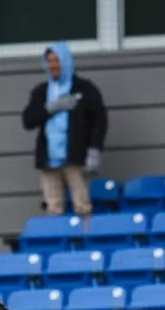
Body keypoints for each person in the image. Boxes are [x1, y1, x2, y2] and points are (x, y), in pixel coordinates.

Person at [20, 43, 106, 217]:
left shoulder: (84, 88)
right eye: (49, 61)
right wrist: (51, 108)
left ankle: (84, 241)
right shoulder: (41, 92)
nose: (53, 65)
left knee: (82, 207)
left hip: (75, 158)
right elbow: (28, 121)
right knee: (53, 209)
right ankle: (57, 241)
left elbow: (100, 120)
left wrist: (94, 149)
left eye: (56, 61)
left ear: (66, 62)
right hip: (49, 160)